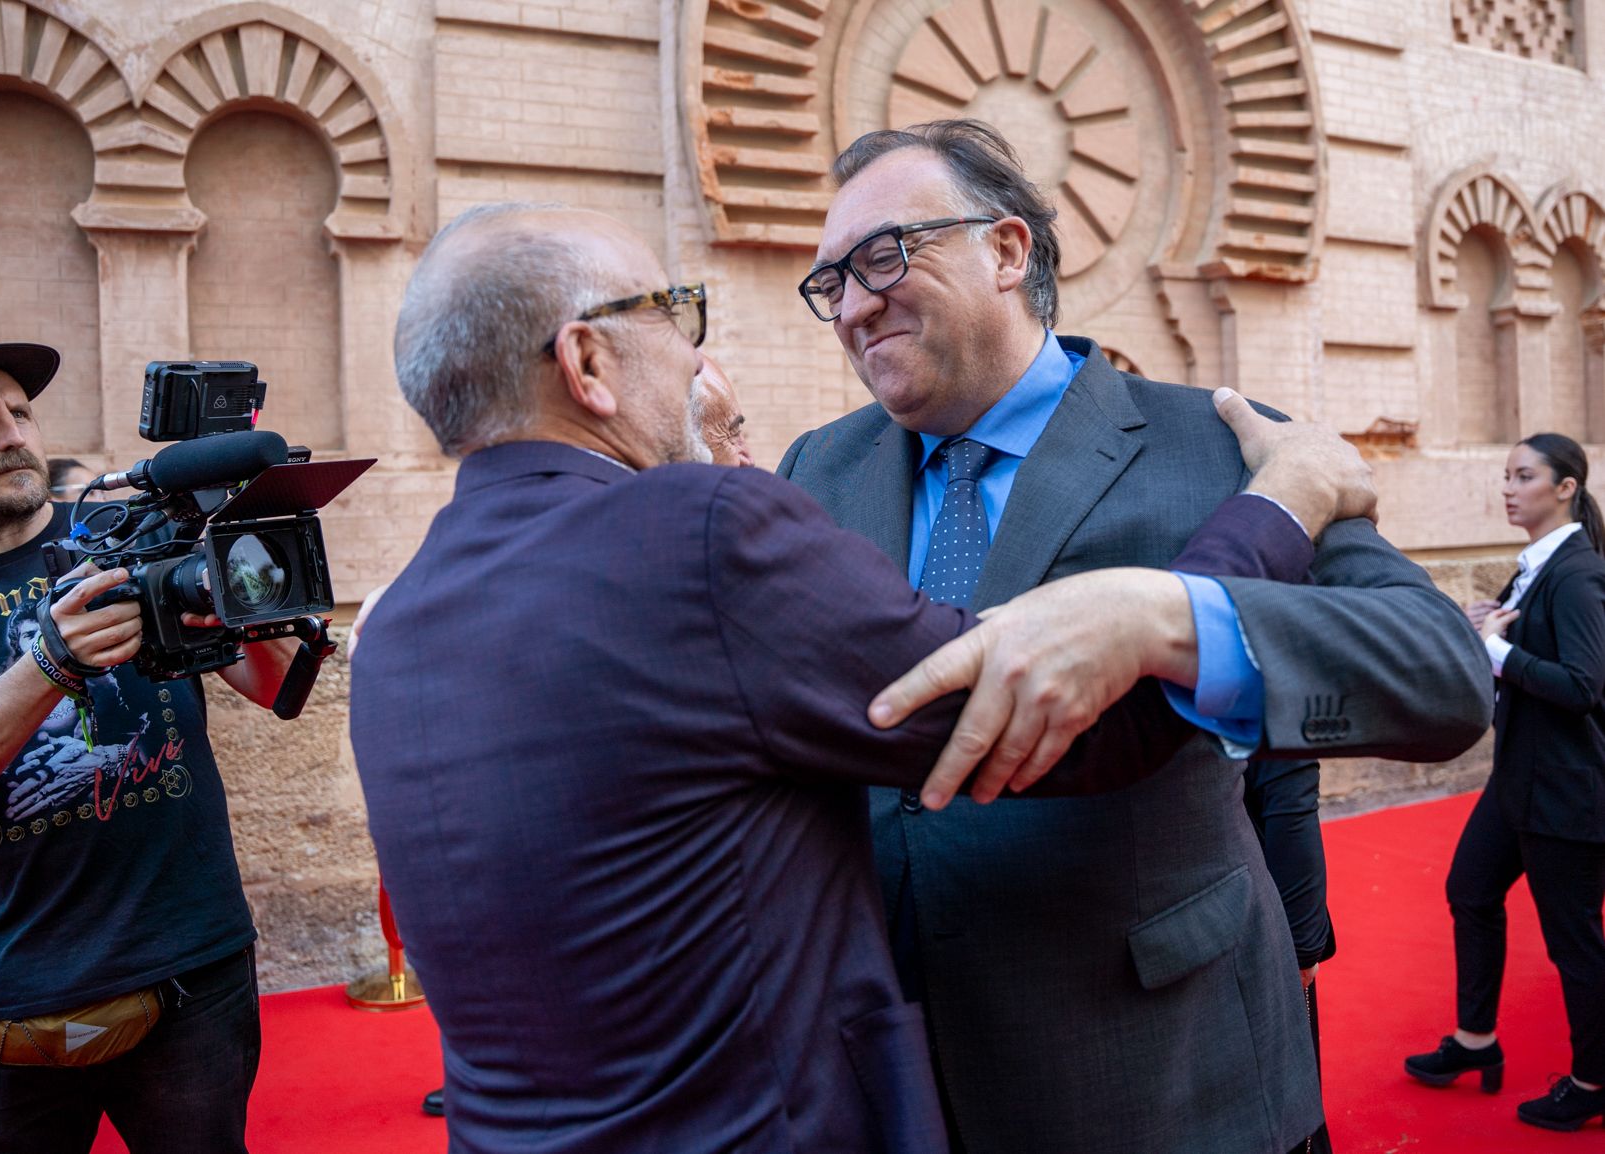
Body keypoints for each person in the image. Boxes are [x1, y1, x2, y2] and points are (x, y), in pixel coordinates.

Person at [349, 202, 1385, 1154]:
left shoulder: (395, 619)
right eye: (670, 310)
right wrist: (1274, 512)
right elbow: (1047, 716)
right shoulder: (697, 534)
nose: (697, 349)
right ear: (587, 360)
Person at [779, 118, 1493, 1153]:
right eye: (828, 282)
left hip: (1165, 1076)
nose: (851, 304)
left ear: (1007, 250)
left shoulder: (1220, 439)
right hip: (900, 1084)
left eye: (882, 256)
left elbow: (1441, 671)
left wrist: (1172, 619)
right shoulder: (816, 469)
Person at [0, 341, 298, 1154]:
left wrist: (241, 566)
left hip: (192, 969)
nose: (11, 434)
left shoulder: (135, 533)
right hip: (4, 995)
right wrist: (51, 663)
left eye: (20, 412)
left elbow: (277, 687)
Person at [1404, 432, 1605, 1131]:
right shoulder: (1534, 567)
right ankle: (1474, 1041)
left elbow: (1583, 686)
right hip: (1517, 778)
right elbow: (1520, 651)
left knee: (1572, 940)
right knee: (1469, 891)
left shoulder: (1576, 573)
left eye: (1523, 476)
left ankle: (1591, 1081)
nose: (1506, 488)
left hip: (1565, 788)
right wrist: (1480, 629)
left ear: (1564, 488)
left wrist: (1494, 649)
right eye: (1505, 476)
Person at [1245, 757, 1337, 1154]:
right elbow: (1290, 797)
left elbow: (1290, 795)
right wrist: (1301, 946)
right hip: (1246, 909)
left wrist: (1300, 945)